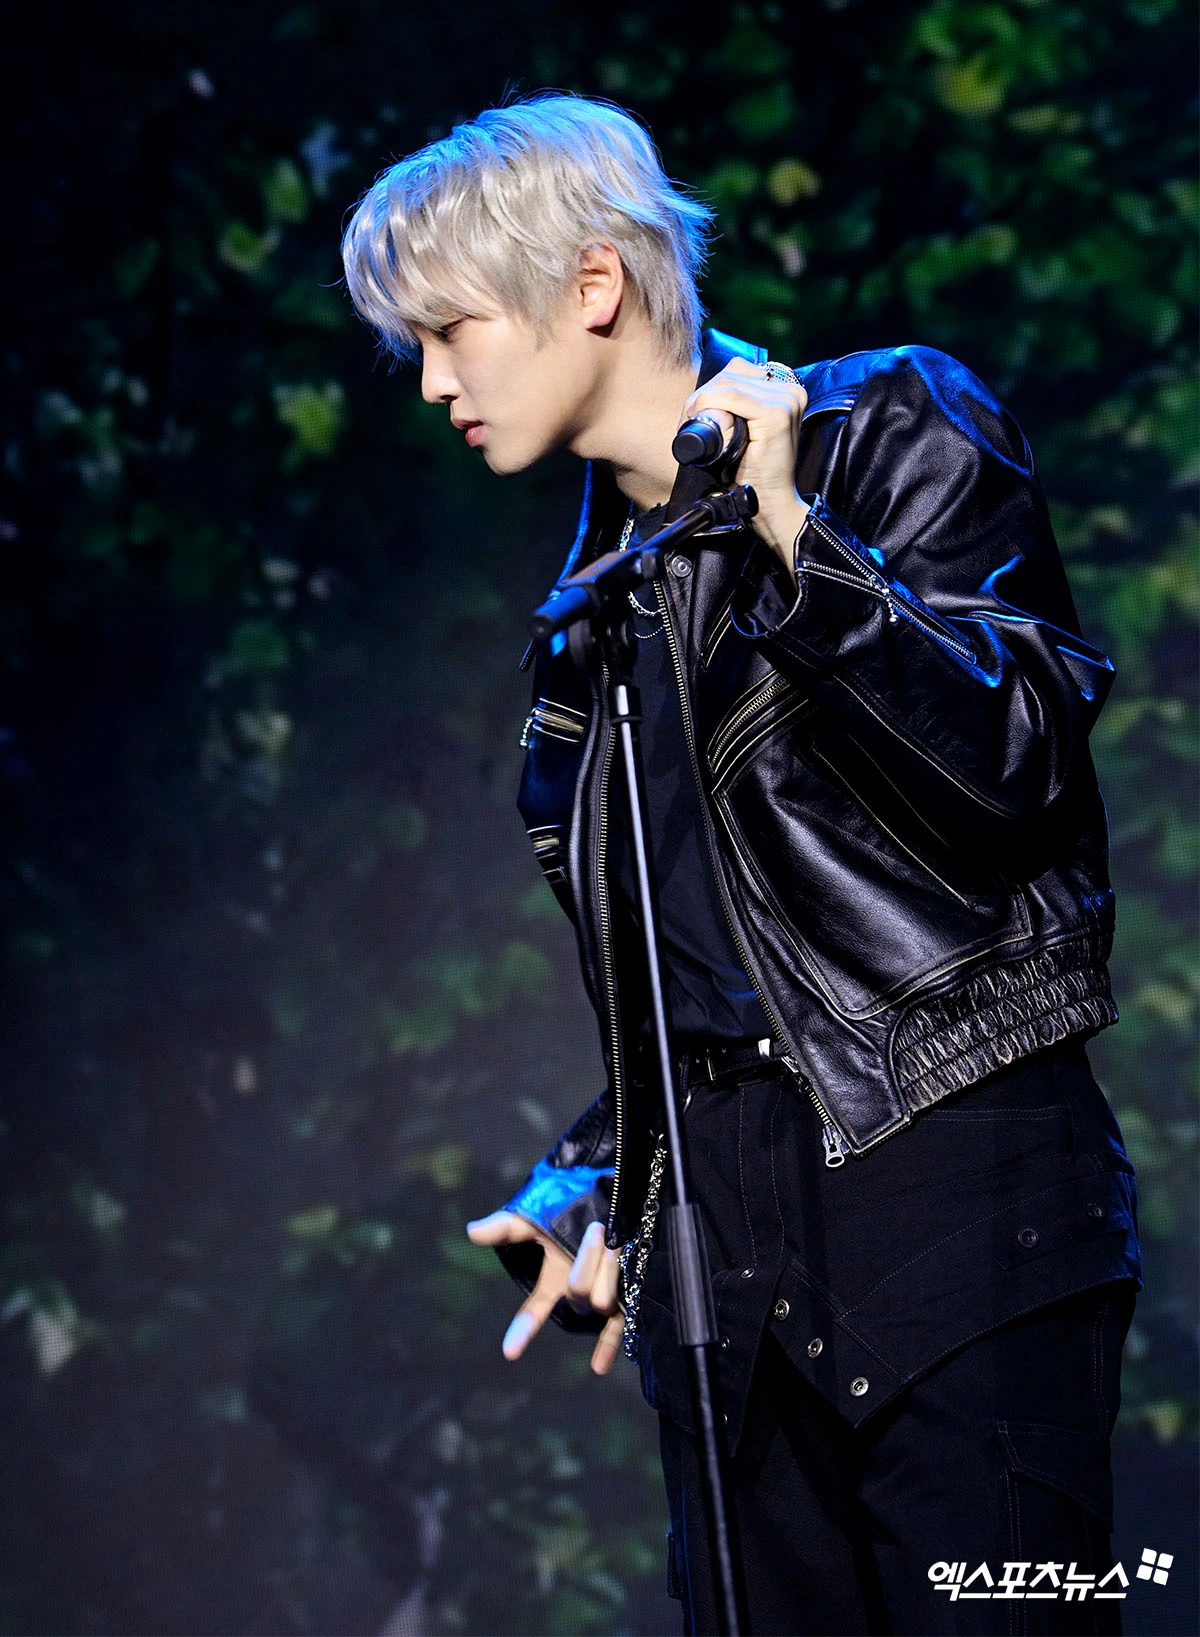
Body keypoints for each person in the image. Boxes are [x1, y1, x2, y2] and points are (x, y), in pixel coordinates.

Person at [341, 94, 1141, 1636]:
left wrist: (795, 542)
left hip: (958, 1216)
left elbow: (1019, 764)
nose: (433, 381)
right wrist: (606, 1175)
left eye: (450, 330)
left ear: (592, 284)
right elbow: (722, 969)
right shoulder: (589, 629)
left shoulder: (887, 428)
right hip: (733, 1297)